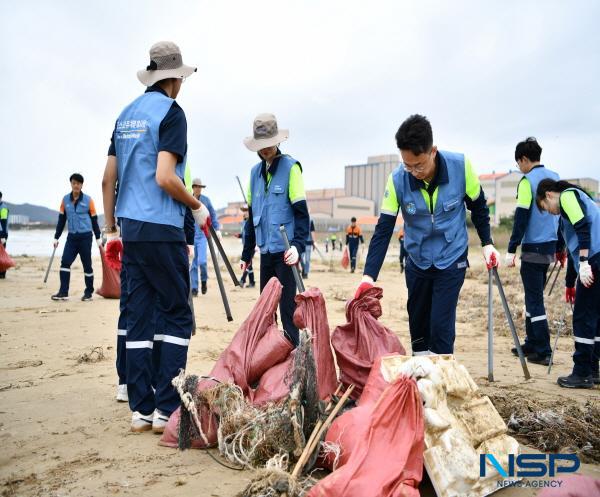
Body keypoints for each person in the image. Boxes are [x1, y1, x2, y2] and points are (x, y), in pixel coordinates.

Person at [102, 41, 209, 432]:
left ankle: (140, 409)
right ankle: (167, 406)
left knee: (139, 317)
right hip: (163, 228)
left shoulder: (126, 114)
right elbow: (166, 176)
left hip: (131, 230)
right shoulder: (172, 113)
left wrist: (112, 229)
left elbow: (107, 179)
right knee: (176, 313)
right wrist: (196, 207)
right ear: (175, 79)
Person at [355, 114, 499, 355]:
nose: (413, 171)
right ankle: (421, 380)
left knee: (441, 326)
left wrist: (487, 244)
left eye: (418, 164)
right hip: (417, 259)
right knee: (418, 326)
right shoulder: (398, 179)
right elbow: (383, 230)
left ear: (433, 151)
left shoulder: (461, 167)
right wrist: (368, 277)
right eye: (407, 165)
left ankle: (441, 377)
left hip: (451, 257)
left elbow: (479, 206)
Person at [241, 113, 309, 347]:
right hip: (266, 252)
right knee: (266, 308)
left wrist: (298, 247)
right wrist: (246, 253)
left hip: (286, 253)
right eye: (261, 146)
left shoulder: (292, 168)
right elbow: (251, 219)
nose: (265, 149)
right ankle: (268, 356)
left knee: (289, 308)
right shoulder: (253, 174)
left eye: (268, 144)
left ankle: (293, 357)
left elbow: (302, 214)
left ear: (277, 141)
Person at [537, 179, 600, 389]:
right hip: (593, 260)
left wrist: (584, 264)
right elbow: (574, 248)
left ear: (548, 195)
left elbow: (583, 229)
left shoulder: (567, 196)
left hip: (594, 260)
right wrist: (570, 283)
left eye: (544, 208)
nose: (549, 212)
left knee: (583, 316)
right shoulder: (573, 205)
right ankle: (592, 369)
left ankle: (582, 373)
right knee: (595, 316)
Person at [504, 138, 562, 366]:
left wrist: (511, 248)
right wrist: (561, 247)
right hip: (550, 246)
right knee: (532, 295)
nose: (519, 168)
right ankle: (530, 342)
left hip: (533, 247)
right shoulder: (555, 178)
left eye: (519, 163)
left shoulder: (527, 181)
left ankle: (543, 350)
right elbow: (562, 215)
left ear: (524, 159)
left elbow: (521, 217)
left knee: (535, 299)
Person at [51, 174, 102, 301]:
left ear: (81, 185)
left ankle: (88, 292)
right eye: (74, 183)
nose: (76, 185)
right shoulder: (65, 200)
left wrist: (98, 238)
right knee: (65, 262)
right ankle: (63, 292)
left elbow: (94, 220)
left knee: (87, 265)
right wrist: (56, 237)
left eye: (78, 183)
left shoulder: (88, 200)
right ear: (71, 184)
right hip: (72, 238)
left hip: (85, 237)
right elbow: (61, 220)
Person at [190, 178, 220, 296]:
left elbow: (212, 214)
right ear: (193, 187)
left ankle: (203, 281)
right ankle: (194, 288)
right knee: (193, 263)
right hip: (191, 236)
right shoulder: (188, 199)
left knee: (202, 261)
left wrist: (217, 229)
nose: (198, 189)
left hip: (203, 236)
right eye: (196, 186)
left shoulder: (206, 201)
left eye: (200, 187)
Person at [239, 206, 256, 288]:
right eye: (243, 211)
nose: (244, 213)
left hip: (251, 247)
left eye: (246, 211)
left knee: (247, 263)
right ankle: (252, 282)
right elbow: (244, 235)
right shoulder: (244, 222)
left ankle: (242, 280)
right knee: (249, 265)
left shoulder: (252, 222)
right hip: (245, 247)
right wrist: (239, 235)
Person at [0, 192, 8, 279]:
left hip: (2, 233)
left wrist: (3, 236)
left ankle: (2, 273)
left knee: (2, 254)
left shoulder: (3, 208)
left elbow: (3, 222)